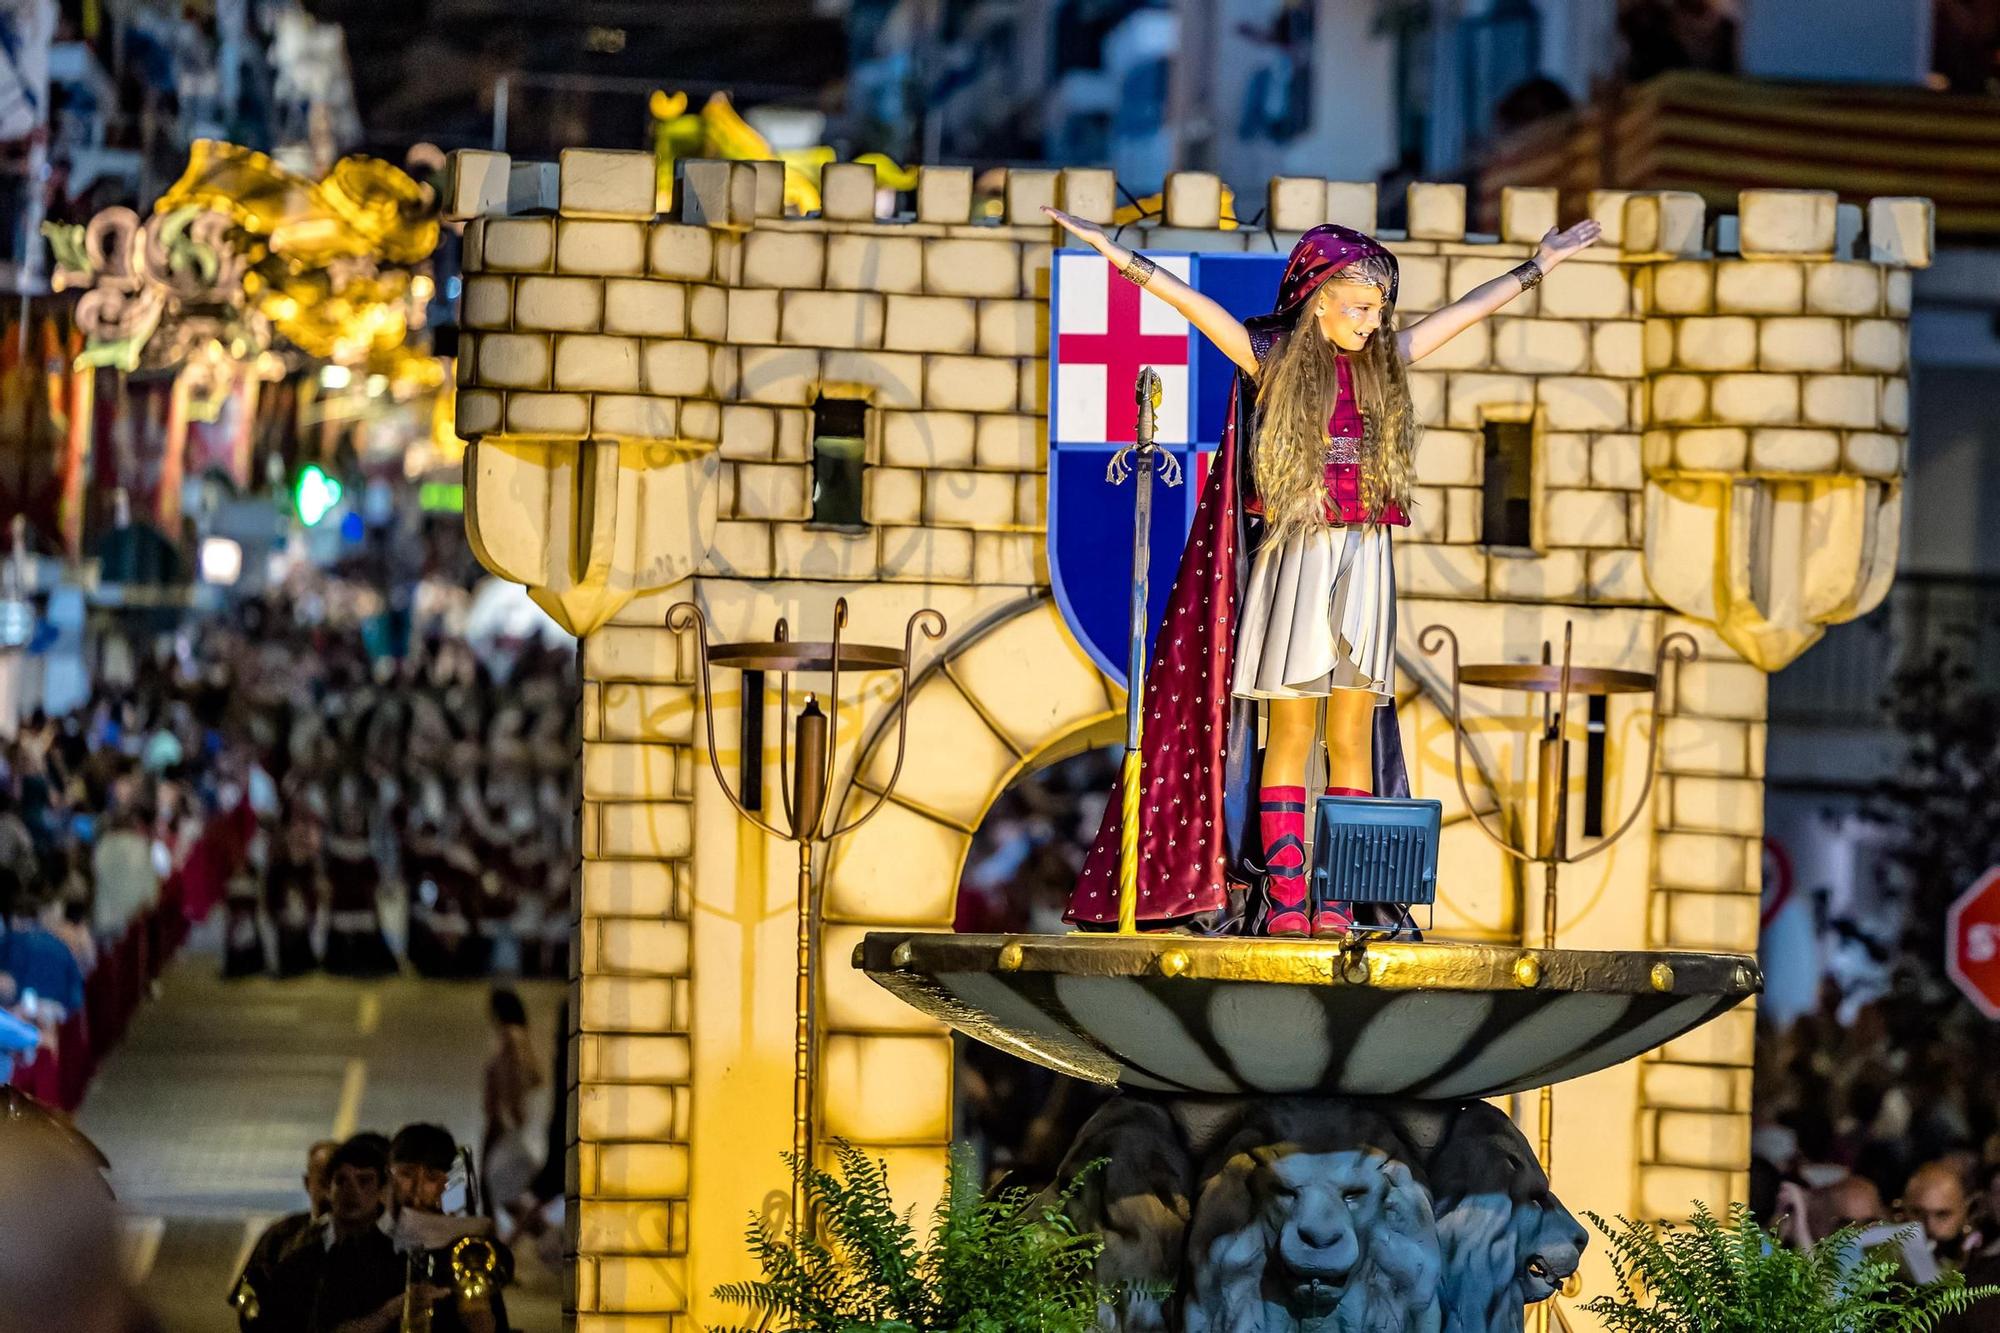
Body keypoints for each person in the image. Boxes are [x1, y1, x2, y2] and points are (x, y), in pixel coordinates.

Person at [1047, 206, 1601, 935]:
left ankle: (1341, 896)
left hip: (1366, 554)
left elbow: (1464, 314)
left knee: (1352, 728)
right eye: (1361, 306)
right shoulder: (1270, 356)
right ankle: (1284, 894)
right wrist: (1117, 255)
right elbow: (1196, 308)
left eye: (1379, 309)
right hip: (1298, 552)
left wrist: (1539, 264)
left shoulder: (1383, 363)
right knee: (1291, 724)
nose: (1373, 322)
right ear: (1320, 297)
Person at [306, 1123, 512, 1333]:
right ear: (388, 1177)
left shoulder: (467, 1253)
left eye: (431, 1178)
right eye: (407, 1174)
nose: (418, 1189)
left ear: (446, 1184)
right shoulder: (355, 1250)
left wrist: (479, 1316)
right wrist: (389, 1313)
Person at [260, 1133, 391, 1331]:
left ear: (382, 1190)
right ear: (328, 1189)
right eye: (342, 1181)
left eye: (364, 1181)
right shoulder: (296, 1256)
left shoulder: (397, 1259)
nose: (352, 1190)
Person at [231, 1139, 339, 1329]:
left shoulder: (358, 1236)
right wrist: (257, 1321)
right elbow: (246, 1291)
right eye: (323, 1181)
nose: (330, 1191)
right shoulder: (281, 1234)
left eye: (337, 1181)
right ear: (308, 1182)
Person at [481, 989, 544, 1221]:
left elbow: (513, 1076)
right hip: (504, 1118)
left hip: (500, 1119)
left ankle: (493, 1235)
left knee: (493, 1184)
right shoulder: (521, 1035)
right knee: (497, 1184)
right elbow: (537, 1077)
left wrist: (510, 1109)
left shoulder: (509, 1036)